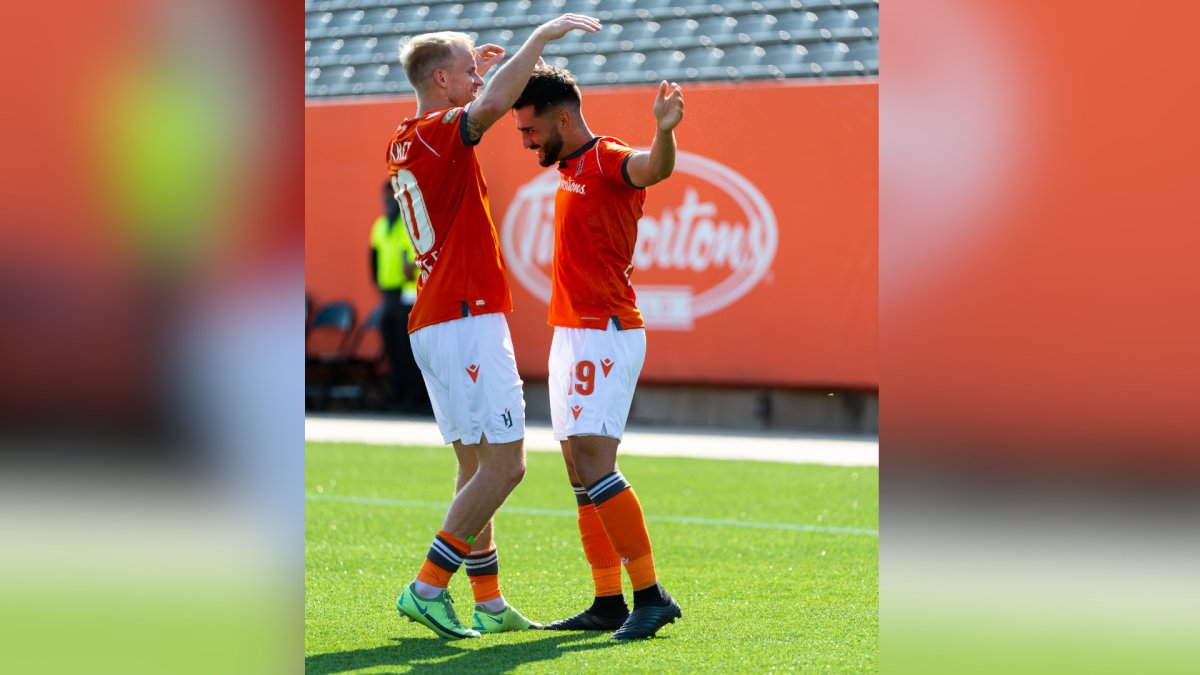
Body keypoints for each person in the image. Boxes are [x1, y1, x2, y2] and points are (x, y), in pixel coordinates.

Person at [386, 16, 602, 640]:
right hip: (463, 316)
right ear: (443, 79)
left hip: (437, 320)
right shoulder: (438, 131)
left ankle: (487, 600)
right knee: (507, 467)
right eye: (465, 64)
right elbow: (490, 105)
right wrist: (538, 40)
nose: (476, 70)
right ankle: (428, 586)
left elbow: (476, 97)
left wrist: (471, 79)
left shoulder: (408, 135)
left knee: (474, 466)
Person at [510, 67, 685, 639]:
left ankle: (650, 596)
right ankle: (608, 600)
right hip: (573, 331)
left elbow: (652, 169)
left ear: (564, 117)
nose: (527, 141)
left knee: (593, 462)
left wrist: (663, 132)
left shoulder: (608, 158)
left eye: (531, 130)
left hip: (604, 331)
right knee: (577, 470)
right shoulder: (569, 165)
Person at [369, 180, 427, 414]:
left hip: (409, 293)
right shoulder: (380, 226)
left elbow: (413, 259)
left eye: (392, 197)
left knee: (408, 348)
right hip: (389, 294)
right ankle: (398, 393)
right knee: (391, 346)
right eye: (385, 197)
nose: (388, 202)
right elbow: (373, 257)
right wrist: (379, 286)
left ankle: (416, 397)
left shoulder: (408, 224)